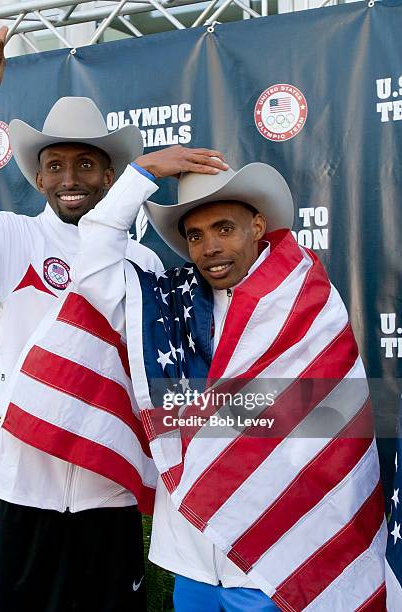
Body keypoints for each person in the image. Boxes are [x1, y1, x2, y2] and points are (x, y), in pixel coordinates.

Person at [0, 27, 210, 612]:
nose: (71, 178)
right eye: (55, 166)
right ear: (38, 178)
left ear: (111, 177)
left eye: (87, 165)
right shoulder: (10, 239)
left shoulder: (142, 260)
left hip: (109, 491)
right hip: (23, 490)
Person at [70, 150, 387, 610]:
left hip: (273, 561)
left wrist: (208, 411)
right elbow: (92, 268)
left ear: (257, 227)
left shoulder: (306, 302)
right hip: (195, 558)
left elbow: (330, 423)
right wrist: (144, 174)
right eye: (195, 235)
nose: (210, 248)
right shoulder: (165, 307)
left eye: (224, 229)